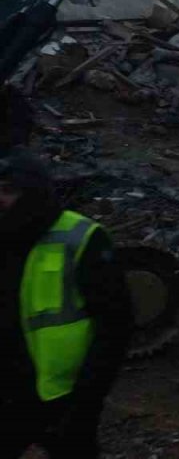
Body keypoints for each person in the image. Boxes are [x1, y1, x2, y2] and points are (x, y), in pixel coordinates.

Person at [0, 151, 131, 458]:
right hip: (9, 394)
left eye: (8, 190)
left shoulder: (81, 238)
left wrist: (86, 404)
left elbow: (114, 328)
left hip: (64, 397)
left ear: (33, 192)